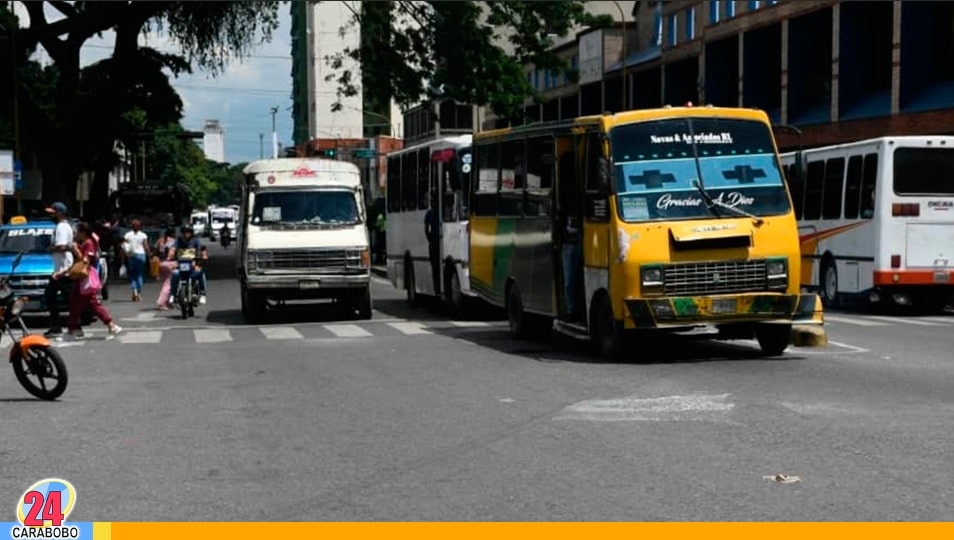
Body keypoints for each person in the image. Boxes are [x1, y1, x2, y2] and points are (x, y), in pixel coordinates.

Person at [64, 223, 122, 340]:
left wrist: (76, 250)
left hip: (84, 278)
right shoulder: (87, 243)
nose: (76, 234)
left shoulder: (89, 243)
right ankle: (109, 325)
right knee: (83, 304)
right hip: (81, 278)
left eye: (78, 232)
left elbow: (86, 260)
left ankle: (73, 330)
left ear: (82, 232)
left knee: (82, 303)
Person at [558, 153, 583, 323]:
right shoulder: (565, 192)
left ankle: (572, 309)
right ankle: (571, 309)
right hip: (570, 242)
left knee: (571, 279)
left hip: (576, 242)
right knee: (571, 278)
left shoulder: (574, 191)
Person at [43, 202, 75, 337]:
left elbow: (62, 247)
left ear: (60, 213)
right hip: (60, 268)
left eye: (53, 212)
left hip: (63, 269)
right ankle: (58, 326)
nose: (51, 215)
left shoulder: (62, 227)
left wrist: (50, 249)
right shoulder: (63, 226)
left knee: (64, 298)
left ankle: (72, 326)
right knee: (56, 296)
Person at [168, 225, 208, 305]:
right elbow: (173, 249)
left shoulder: (196, 240)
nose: (187, 235)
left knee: (200, 273)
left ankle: (203, 294)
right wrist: (171, 255)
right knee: (174, 274)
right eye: (185, 233)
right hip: (181, 264)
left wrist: (203, 255)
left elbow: (201, 248)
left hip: (193, 264)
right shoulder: (178, 240)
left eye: (188, 232)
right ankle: (173, 294)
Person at [123, 219, 150, 301]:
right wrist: (149, 255)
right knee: (140, 275)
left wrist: (123, 257)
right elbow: (146, 247)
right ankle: (138, 293)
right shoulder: (143, 235)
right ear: (140, 227)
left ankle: (134, 291)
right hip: (141, 255)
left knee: (132, 275)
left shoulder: (127, 235)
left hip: (131, 256)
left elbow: (124, 246)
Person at [154, 227, 177, 310]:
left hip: (160, 263)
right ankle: (161, 303)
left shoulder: (160, 240)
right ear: (173, 233)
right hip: (170, 264)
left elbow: (155, 251)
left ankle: (168, 302)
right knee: (168, 285)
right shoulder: (174, 241)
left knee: (166, 283)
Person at [424, 196, 441, 295]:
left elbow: (426, 229)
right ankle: (436, 288)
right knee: (435, 267)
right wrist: (430, 240)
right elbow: (426, 229)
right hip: (433, 244)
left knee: (437, 268)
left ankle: (438, 287)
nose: (433, 203)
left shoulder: (439, 212)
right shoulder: (430, 213)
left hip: (438, 243)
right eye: (432, 201)